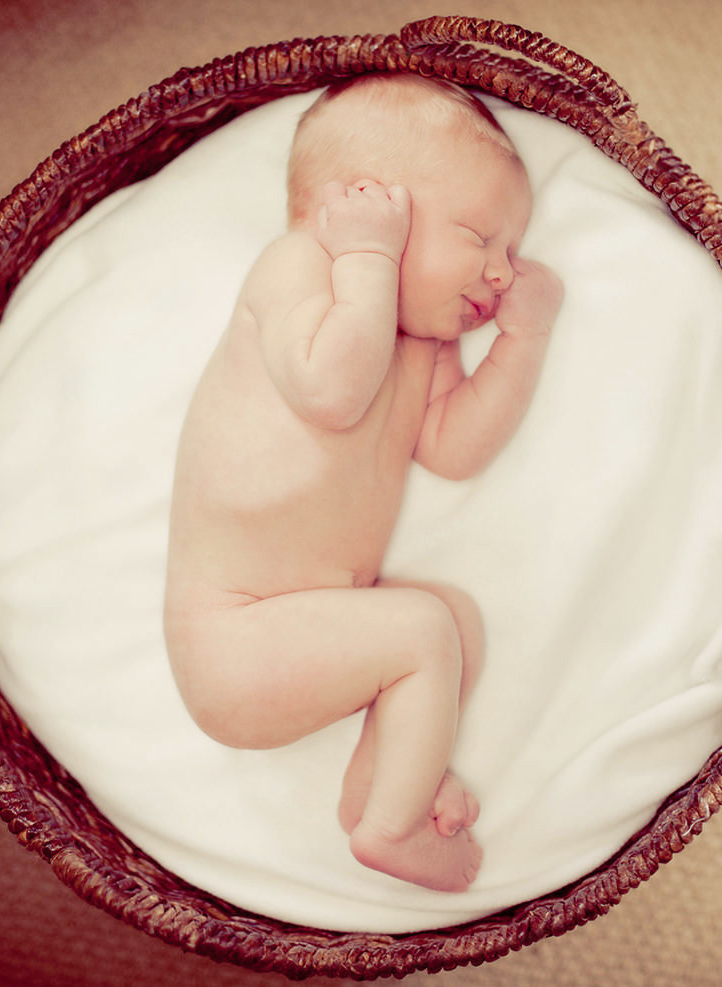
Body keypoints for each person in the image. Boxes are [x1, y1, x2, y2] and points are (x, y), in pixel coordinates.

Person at [162, 74, 562, 892]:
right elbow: (333, 392)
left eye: (510, 253)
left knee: (453, 623)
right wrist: (370, 258)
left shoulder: (422, 343)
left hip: (311, 629)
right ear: (361, 204)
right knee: (422, 628)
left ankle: (379, 795)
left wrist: (525, 339)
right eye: (480, 236)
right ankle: (391, 831)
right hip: (237, 639)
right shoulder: (297, 271)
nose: (498, 272)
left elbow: (452, 447)